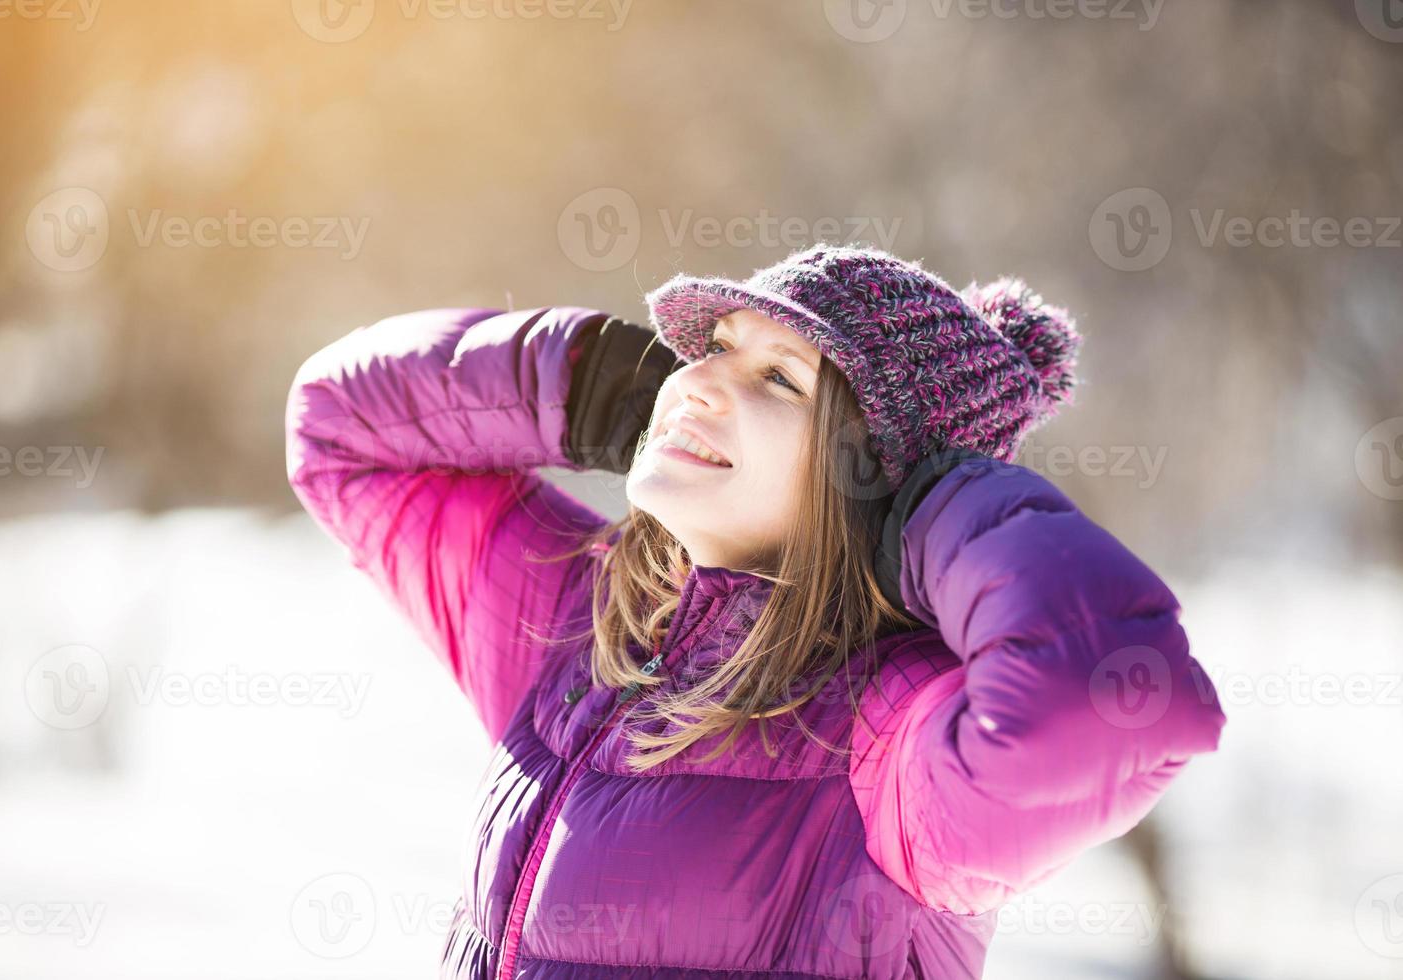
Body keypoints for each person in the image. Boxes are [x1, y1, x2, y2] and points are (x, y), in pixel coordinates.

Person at [284, 243, 1227, 979]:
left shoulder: (893, 739)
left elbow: (1112, 701)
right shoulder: (591, 627)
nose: (696, 383)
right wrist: (582, 386)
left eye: (781, 380)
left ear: (870, 484)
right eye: (718, 348)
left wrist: (937, 508)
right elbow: (340, 430)